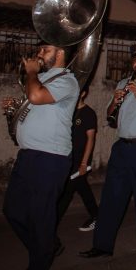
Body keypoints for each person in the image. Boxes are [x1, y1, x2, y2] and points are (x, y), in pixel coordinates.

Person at [1, 40, 80, 270]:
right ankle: (48, 246)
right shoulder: (43, 79)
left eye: (46, 50)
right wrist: (15, 108)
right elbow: (34, 105)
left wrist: (32, 74)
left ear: (61, 52)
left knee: (40, 219)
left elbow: (36, 97)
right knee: (12, 210)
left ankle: (40, 259)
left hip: (50, 158)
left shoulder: (67, 80)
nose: (40, 53)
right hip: (28, 156)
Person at [79, 43, 136, 259]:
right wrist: (115, 103)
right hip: (122, 147)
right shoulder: (124, 82)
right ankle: (102, 245)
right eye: (134, 59)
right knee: (111, 198)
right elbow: (109, 115)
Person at [56, 86, 99, 233]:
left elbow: (91, 140)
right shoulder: (69, 111)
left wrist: (83, 163)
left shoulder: (89, 113)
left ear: (83, 93)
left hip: (80, 159)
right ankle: (97, 216)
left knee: (68, 191)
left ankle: (51, 224)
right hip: (67, 157)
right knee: (80, 188)